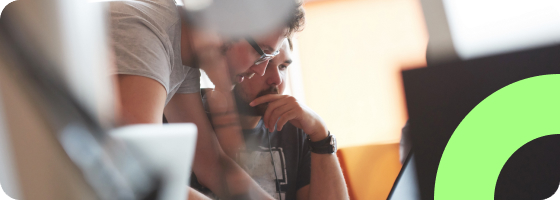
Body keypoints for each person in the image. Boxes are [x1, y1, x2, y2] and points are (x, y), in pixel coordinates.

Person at [108, 0, 305, 199]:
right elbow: (140, 173)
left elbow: (210, 163)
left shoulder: (183, 51)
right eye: (261, 53)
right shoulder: (146, 31)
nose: (260, 70)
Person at [197, 39, 350, 200]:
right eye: (265, 62)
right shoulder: (186, 118)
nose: (277, 79)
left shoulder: (297, 129)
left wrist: (320, 134)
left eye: (283, 67)